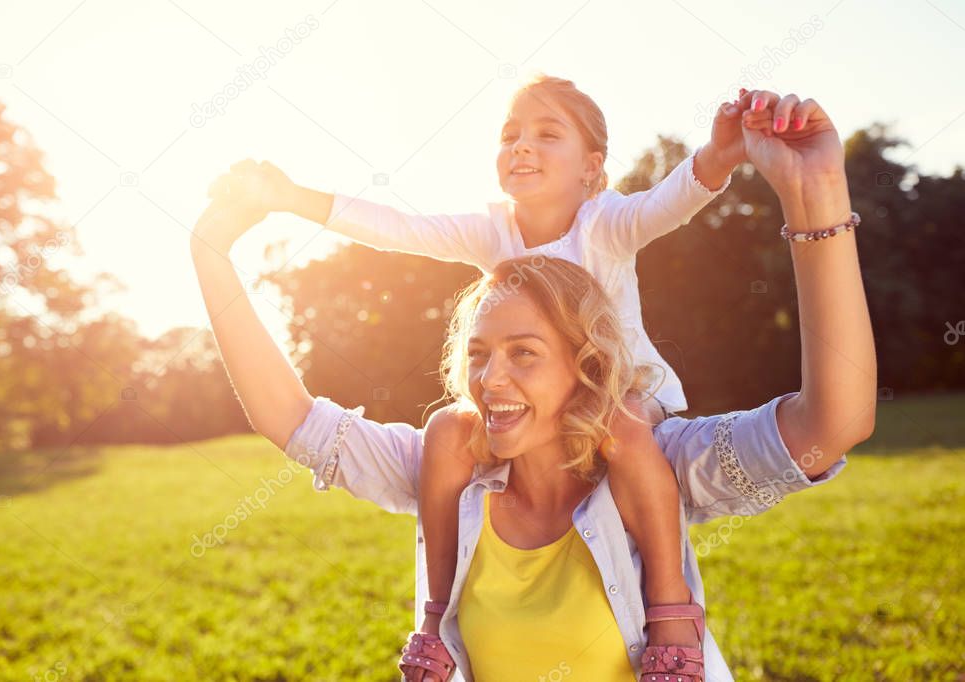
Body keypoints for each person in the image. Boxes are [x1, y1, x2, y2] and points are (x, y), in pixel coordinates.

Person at [190, 89, 876, 681]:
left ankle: (675, 614)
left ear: (582, 366)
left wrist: (811, 192)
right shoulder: (449, 469)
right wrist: (211, 253)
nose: (490, 379)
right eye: (479, 353)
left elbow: (828, 427)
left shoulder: (655, 470)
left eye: (524, 353)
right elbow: (292, 418)